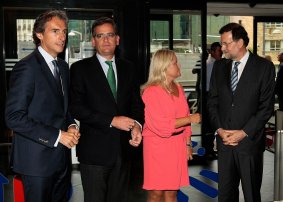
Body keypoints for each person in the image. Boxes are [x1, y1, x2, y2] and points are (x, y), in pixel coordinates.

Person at [5, 10, 80, 202]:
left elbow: (63, 108)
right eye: (55, 31)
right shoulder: (27, 67)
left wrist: (71, 125)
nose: (62, 36)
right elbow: (14, 117)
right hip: (35, 162)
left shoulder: (62, 67)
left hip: (61, 160)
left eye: (64, 31)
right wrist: (58, 135)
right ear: (39, 34)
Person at [69, 17, 144, 202]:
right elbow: (76, 107)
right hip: (94, 152)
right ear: (93, 41)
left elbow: (136, 104)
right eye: (100, 36)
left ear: (117, 39)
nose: (105, 40)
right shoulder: (80, 69)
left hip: (123, 151)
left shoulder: (129, 68)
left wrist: (136, 125)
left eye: (110, 35)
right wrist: (111, 120)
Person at [207, 23, 275, 202]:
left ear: (240, 42)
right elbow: (212, 102)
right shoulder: (219, 67)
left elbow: (266, 107)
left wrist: (243, 132)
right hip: (224, 142)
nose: (222, 48)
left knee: (251, 195)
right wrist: (220, 130)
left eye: (226, 44)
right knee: (226, 195)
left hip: (249, 144)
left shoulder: (264, 67)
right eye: (222, 44)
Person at [141, 49, 201, 202]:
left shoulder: (178, 88)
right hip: (157, 147)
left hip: (177, 144)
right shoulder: (151, 91)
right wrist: (190, 118)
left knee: (172, 193)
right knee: (156, 193)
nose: (179, 65)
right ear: (164, 67)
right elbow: (162, 126)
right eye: (175, 62)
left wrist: (188, 144)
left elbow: (185, 115)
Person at [204, 42, 222, 159]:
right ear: (212, 52)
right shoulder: (214, 65)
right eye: (219, 51)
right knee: (211, 123)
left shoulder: (210, 63)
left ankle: (209, 149)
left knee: (210, 124)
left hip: (209, 94)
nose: (221, 52)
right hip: (212, 95)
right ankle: (210, 150)